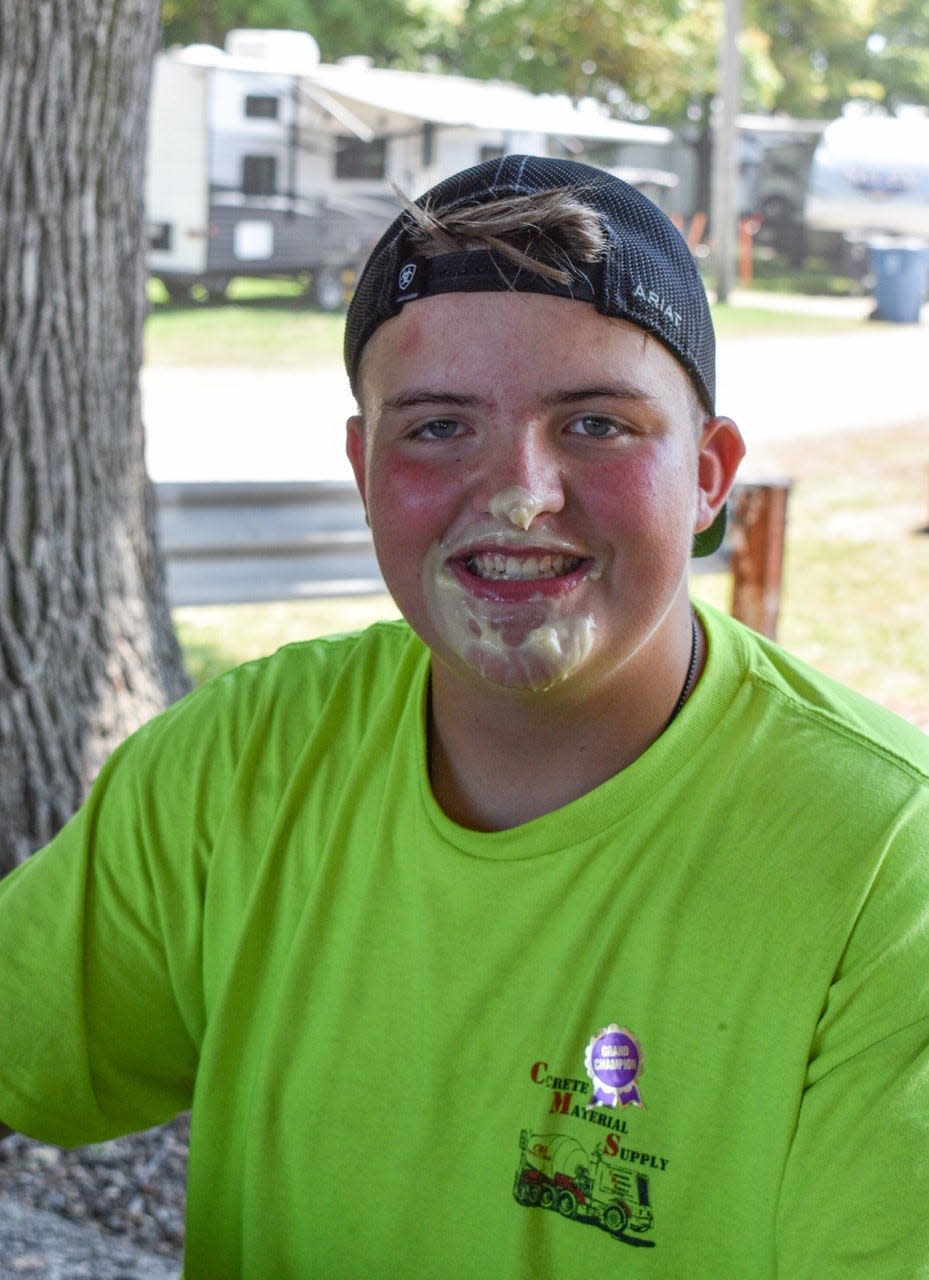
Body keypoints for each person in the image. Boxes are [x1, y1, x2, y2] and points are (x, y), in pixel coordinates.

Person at [1, 153, 928, 1278]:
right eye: (438, 427)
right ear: (362, 464)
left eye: (594, 422)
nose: (516, 489)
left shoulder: (884, 869)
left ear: (708, 473)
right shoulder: (241, 760)